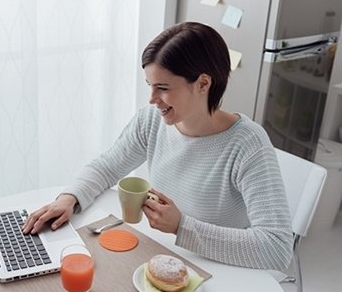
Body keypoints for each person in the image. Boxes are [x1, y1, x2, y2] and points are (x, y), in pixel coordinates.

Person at [23, 21, 293, 273]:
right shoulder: (152, 121)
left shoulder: (248, 145)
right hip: (163, 257)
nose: (152, 99)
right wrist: (68, 199)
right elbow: (107, 167)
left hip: (221, 271)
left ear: (203, 83)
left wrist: (181, 227)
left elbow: (277, 248)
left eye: (162, 88)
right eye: (150, 86)